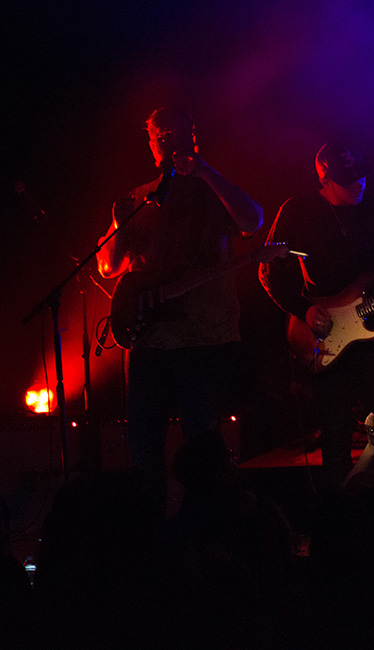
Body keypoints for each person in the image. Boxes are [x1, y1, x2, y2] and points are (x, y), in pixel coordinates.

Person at [97, 106, 263, 511]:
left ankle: (206, 527)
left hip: (202, 337)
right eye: (160, 136)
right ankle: (150, 528)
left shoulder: (213, 189)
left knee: (202, 442)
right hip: (149, 340)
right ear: (152, 144)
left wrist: (206, 172)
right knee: (143, 442)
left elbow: (252, 220)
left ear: (192, 137)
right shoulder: (139, 198)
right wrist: (119, 226)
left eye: (175, 134)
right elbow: (108, 267)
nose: (167, 143)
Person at [258, 139, 374, 516]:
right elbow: (269, 271)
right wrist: (302, 310)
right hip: (323, 334)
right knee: (334, 432)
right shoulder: (297, 211)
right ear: (323, 176)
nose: (358, 185)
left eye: (361, 176)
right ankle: (336, 521)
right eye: (346, 180)